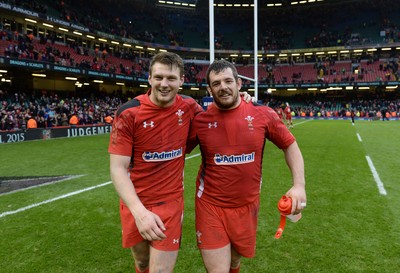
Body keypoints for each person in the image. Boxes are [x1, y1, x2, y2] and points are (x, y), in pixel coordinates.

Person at [108, 52, 252, 273]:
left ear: (182, 80)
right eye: (159, 77)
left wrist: (242, 101)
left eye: (171, 78)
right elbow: (118, 168)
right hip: (135, 201)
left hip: (170, 202)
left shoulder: (188, 107)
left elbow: (217, 117)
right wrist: (139, 212)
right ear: (149, 78)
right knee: (142, 261)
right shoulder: (129, 113)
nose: (164, 84)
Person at [186, 60, 307, 273]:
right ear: (209, 89)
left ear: (239, 83)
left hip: (247, 205)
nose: (223, 87)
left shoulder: (263, 114)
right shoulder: (201, 121)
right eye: (216, 83)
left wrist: (299, 185)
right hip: (210, 206)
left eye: (228, 81)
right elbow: (175, 150)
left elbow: (290, 145)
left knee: (234, 261)